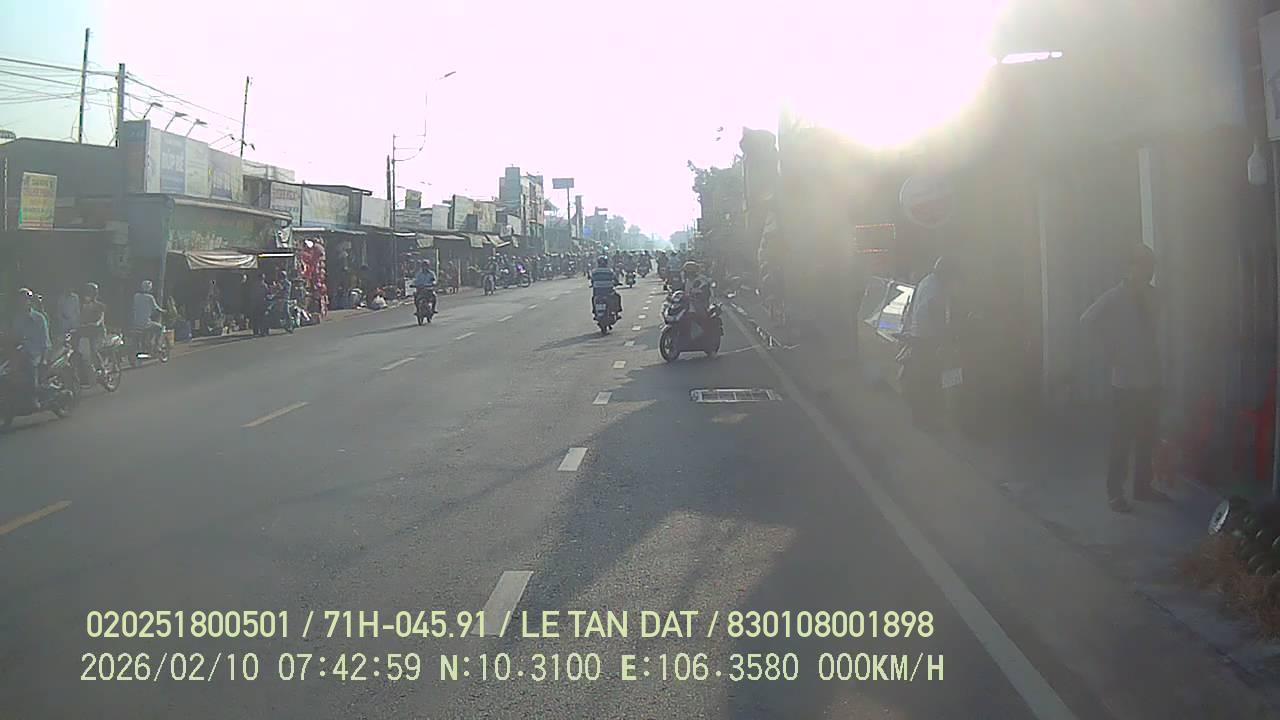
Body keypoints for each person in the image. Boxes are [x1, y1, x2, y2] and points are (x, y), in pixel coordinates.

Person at [1081, 244, 1167, 513]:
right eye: (1142, 266)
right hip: (1125, 381)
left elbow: (1159, 329)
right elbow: (1087, 320)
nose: (1147, 272)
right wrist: (1110, 349)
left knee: (1147, 436)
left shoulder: (1154, 296)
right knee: (1122, 439)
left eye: (1150, 267)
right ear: (1130, 268)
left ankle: (1143, 486)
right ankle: (1114, 492)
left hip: (1151, 377)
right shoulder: (1114, 297)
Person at [899, 256, 954, 431]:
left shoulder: (926, 281)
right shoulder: (937, 289)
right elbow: (935, 315)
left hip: (917, 337)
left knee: (920, 381)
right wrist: (944, 339)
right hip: (927, 341)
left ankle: (919, 418)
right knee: (929, 382)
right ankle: (927, 420)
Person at [10, 288, 51, 411]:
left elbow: (45, 340)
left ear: (30, 301)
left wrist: (44, 358)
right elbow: (15, 337)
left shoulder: (39, 318)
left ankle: (34, 397)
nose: (23, 302)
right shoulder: (17, 319)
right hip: (22, 352)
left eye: (25, 299)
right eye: (20, 300)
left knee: (30, 366)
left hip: (37, 352)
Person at [78, 282, 107, 373]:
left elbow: (100, 318)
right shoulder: (84, 306)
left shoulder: (100, 306)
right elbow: (82, 318)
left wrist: (96, 323)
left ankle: (103, 369)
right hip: (87, 332)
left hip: (98, 332)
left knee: (94, 351)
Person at [132, 280, 164, 350]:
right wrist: (164, 311)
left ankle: (146, 343)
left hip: (136, 323)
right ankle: (157, 346)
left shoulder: (136, 296)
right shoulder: (150, 297)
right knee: (160, 327)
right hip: (146, 323)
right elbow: (157, 309)